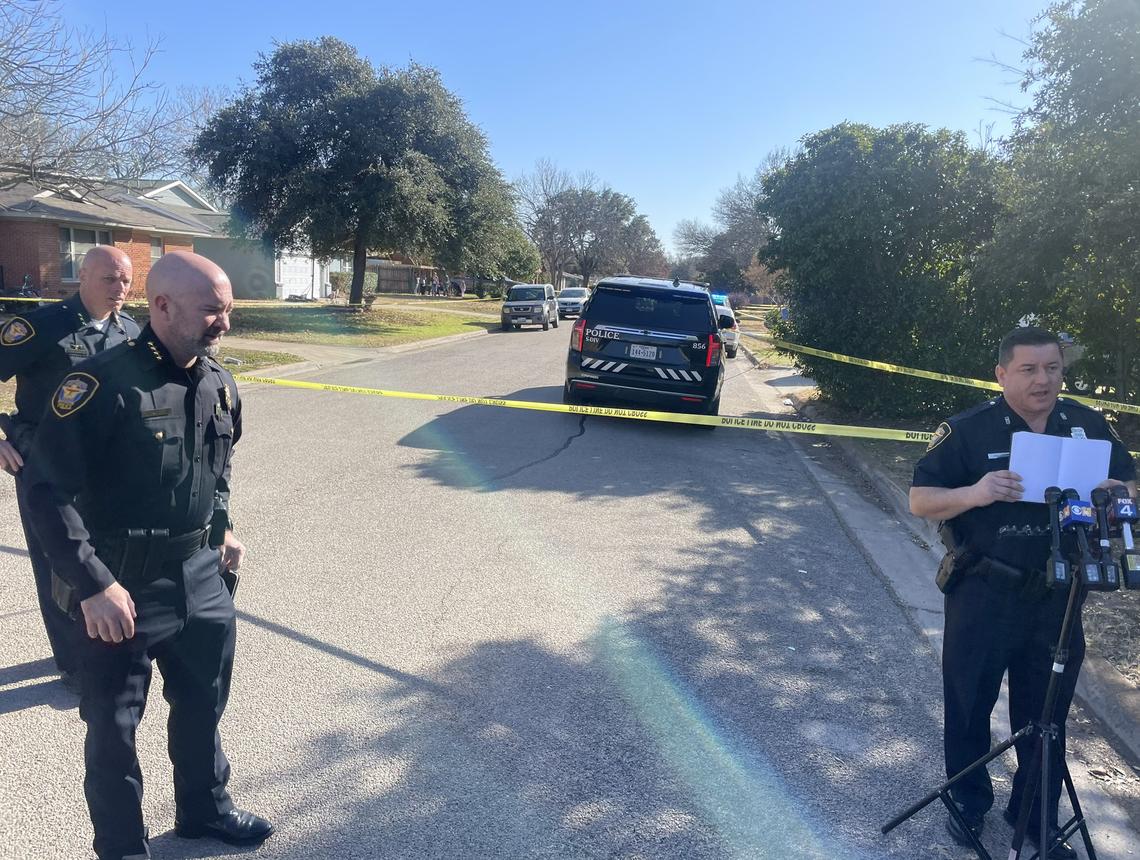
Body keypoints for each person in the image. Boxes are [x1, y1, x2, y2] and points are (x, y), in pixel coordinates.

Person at [22, 251, 273, 860]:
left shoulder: (217, 380)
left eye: (228, 309)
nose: (225, 323)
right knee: (113, 733)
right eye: (213, 310)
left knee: (203, 702)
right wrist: (90, 586)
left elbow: (217, 468)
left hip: (200, 577)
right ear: (162, 307)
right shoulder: (101, 383)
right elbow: (45, 491)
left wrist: (222, 526)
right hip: (119, 585)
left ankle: (203, 810)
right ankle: (122, 848)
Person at [910, 326, 1136, 859]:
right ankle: (967, 801)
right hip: (984, 592)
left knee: (1047, 714)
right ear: (1002, 374)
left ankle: (1033, 814)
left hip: (1059, 597)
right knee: (968, 703)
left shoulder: (1086, 424)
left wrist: (1117, 491)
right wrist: (976, 492)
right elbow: (920, 499)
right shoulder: (968, 429)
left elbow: (1131, 482)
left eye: (1052, 368)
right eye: (1030, 369)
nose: (1044, 380)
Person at [0, 245, 139, 690]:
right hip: (45, 467)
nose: (120, 289)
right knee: (59, 564)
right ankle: (75, 665)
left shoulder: (131, 332)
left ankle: (104, 645)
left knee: (100, 560)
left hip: (106, 469)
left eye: (126, 281)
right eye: (110, 279)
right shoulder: (42, 326)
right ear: (82, 276)